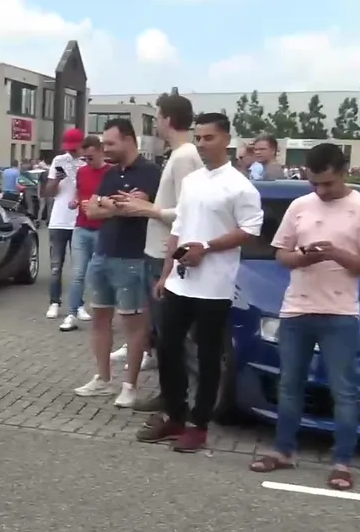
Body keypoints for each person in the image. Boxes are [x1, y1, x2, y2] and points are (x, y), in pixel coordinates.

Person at [251, 143, 360, 489]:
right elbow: (281, 254)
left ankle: (342, 462)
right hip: (297, 308)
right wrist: (303, 258)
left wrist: (336, 253)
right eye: (314, 184)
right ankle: (284, 451)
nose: (321, 191)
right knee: (289, 384)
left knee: (344, 389)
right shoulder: (300, 206)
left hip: (340, 312)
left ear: (343, 173)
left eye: (328, 184)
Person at [137, 113, 263, 452]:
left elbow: (250, 230)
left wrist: (206, 247)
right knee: (167, 347)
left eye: (209, 138)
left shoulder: (240, 186)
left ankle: (199, 424)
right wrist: (166, 272)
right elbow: (178, 228)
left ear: (227, 139)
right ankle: (174, 415)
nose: (203, 144)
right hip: (180, 282)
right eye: (199, 138)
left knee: (207, 355)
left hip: (214, 286)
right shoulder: (192, 181)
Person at [110, 94, 204, 411]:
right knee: (164, 331)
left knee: (172, 333)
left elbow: (189, 212)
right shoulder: (179, 155)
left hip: (165, 253)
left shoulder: (184, 157)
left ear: (167, 119)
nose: (157, 123)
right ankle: (173, 393)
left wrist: (147, 209)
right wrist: (145, 204)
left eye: (158, 117)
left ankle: (178, 397)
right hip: (157, 252)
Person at [76, 119, 162, 409]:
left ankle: (130, 386)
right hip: (102, 253)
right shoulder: (111, 174)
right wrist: (116, 206)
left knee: (133, 325)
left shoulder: (150, 172)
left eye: (111, 143)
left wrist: (110, 205)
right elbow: (91, 210)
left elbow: (136, 208)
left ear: (128, 140)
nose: (106, 149)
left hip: (133, 257)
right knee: (100, 318)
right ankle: (102, 378)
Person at [66, 136, 110, 332]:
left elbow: (114, 199)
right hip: (81, 227)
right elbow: (79, 191)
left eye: (90, 157)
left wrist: (97, 203)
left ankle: (103, 315)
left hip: (102, 229)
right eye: (84, 158)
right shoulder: (82, 172)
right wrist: (75, 201)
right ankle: (72, 313)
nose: (87, 161)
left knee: (98, 274)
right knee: (78, 273)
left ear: (101, 151)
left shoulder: (110, 172)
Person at [45, 129, 86, 329]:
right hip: (59, 220)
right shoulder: (59, 160)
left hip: (79, 220)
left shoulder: (87, 162)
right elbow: (49, 192)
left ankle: (79, 305)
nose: (71, 151)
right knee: (56, 266)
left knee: (79, 268)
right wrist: (56, 179)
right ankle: (54, 302)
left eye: (74, 148)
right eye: (68, 148)